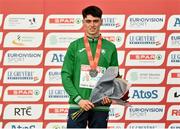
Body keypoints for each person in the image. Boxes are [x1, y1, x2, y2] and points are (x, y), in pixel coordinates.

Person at [61, 5, 118, 128]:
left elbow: (114, 77)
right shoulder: (74, 46)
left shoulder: (110, 48)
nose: (92, 25)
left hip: (100, 105)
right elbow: (65, 75)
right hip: (78, 104)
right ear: (83, 22)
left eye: (95, 21)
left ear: (101, 22)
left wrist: (109, 95)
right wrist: (79, 99)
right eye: (88, 21)